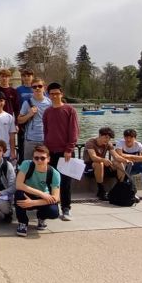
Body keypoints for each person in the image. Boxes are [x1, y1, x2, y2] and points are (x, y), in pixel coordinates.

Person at [42, 82, 79, 221]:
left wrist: (69, 148)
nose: (54, 96)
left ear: (61, 94)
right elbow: (46, 131)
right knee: (50, 180)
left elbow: (74, 131)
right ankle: (52, 205)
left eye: (57, 93)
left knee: (65, 182)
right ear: (49, 95)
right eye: (52, 94)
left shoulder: (70, 110)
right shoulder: (47, 111)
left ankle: (66, 208)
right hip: (50, 151)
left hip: (65, 152)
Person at [14, 145, 60, 237]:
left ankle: (41, 218)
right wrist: (41, 193)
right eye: (36, 158)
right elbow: (18, 185)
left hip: (41, 199)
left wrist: (33, 203)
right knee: (18, 194)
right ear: (33, 159)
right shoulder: (26, 164)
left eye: (42, 158)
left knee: (54, 212)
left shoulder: (54, 173)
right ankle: (23, 222)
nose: (39, 161)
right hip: (30, 195)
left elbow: (56, 198)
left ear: (48, 159)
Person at [83, 127, 128, 201]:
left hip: (103, 165)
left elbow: (116, 156)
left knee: (119, 163)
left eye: (109, 139)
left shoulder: (108, 144)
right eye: (106, 137)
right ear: (100, 135)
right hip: (90, 167)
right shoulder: (90, 142)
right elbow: (93, 157)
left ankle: (120, 187)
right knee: (99, 163)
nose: (107, 140)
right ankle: (101, 190)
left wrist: (126, 160)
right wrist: (104, 160)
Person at [115, 129, 142, 202]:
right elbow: (119, 156)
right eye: (126, 137)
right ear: (124, 137)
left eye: (131, 137)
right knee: (125, 164)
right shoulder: (120, 143)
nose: (128, 139)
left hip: (135, 166)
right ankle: (131, 192)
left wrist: (131, 157)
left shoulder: (138, 145)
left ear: (135, 138)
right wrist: (136, 158)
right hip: (125, 167)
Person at [18, 78, 51, 160]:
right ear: (31, 89)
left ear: (44, 88)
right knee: (28, 165)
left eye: (40, 86)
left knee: (44, 166)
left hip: (46, 140)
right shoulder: (27, 103)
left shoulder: (50, 103)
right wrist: (29, 114)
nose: (37, 88)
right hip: (30, 139)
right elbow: (19, 120)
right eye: (34, 87)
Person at [16, 69, 35, 163]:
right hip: (23, 120)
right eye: (25, 76)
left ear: (32, 77)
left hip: (35, 120)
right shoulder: (18, 90)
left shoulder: (36, 88)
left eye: (29, 75)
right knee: (22, 145)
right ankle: (22, 165)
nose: (27, 78)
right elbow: (16, 106)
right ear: (22, 78)